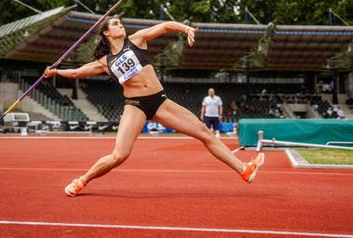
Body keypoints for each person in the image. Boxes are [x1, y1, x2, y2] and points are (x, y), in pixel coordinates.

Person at [44, 17, 264, 196]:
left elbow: (166, 26)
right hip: (135, 106)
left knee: (205, 133)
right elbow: (75, 72)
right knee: (119, 156)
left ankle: (244, 169)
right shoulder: (105, 62)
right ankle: (81, 181)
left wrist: (185, 28)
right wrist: (54, 72)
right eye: (115, 24)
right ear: (106, 33)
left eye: (121, 22)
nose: (120, 25)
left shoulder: (137, 40)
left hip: (160, 101)